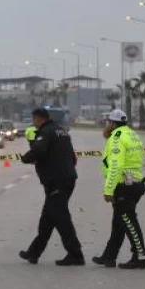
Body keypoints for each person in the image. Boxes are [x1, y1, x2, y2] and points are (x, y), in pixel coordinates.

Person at [19, 108, 85, 266]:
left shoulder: (46, 132)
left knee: (61, 218)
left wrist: (25, 158)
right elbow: (72, 155)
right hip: (65, 178)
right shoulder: (61, 131)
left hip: (57, 181)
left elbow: (38, 150)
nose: (33, 123)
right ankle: (33, 253)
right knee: (48, 217)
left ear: (37, 119)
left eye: (33, 119)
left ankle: (75, 254)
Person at [92, 110, 145, 269]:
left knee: (129, 223)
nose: (106, 126)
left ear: (112, 123)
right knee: (119, 223)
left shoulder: (116, 138)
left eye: (108, 123)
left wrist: (108, 190)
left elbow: (116, 166)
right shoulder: (132, 135)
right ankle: (109, 257)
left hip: (124, 186)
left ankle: (141, 257)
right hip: (135, 183)